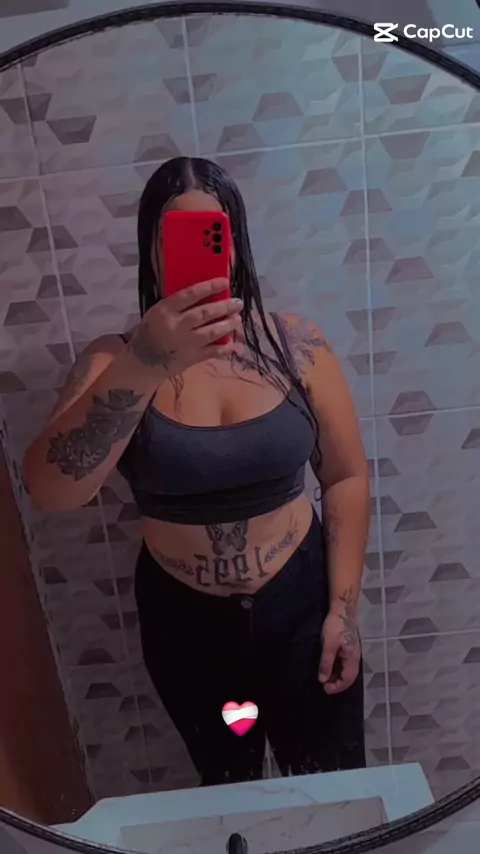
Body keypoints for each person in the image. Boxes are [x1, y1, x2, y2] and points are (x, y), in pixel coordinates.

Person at [24, 157, 370, 786]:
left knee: (334, 785)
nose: (205, 254)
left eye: (215, 233)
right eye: (176, 238)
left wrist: (342, 611)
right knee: (228, 789)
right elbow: (50, 492)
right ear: (151, 253)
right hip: (187, 627)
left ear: (236, 242)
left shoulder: (295, 345)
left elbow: (345, 477)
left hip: (304, 606)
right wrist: (147, 363)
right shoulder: (114, 361)